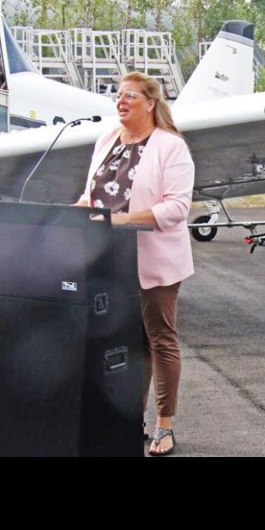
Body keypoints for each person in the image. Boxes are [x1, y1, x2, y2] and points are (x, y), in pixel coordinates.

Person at [76, 72, 194, 456]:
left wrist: (122, 220)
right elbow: (92, 193)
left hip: (154, 259)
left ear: (150, 103)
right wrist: (75, 214)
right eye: (118, 95)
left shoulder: (170, 147)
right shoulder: (106, 139)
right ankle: (131, 419)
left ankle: (164, 425)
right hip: (109, 259)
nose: (120, 101)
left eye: (129, 96)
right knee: (124, 342)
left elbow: (177, 208)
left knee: (158, 340)